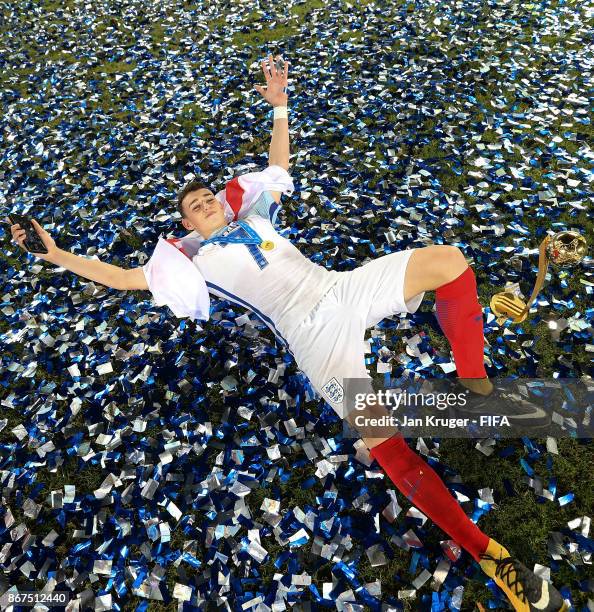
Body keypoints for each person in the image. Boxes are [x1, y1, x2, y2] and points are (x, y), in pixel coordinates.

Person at [9, 55, 567, 612]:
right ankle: (490, 556)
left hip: (340, 289)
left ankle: (475, 384)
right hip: (311, 337)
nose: (204, 205)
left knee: (450, 261)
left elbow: (278, 164)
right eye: (194, 208)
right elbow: (120, 277)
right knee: (382, 439)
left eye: (208, 197)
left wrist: (279, 107)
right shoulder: (189, 262)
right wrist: (57, 254)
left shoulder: (256, 215)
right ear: (187, 226)